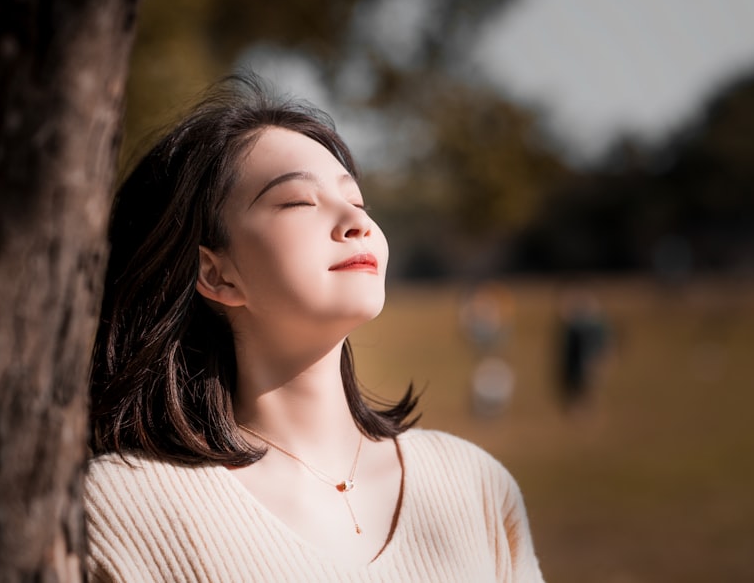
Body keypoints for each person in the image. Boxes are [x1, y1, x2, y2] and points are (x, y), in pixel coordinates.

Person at [85, 73, 544, 582]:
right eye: (300, 201)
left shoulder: (473, 486)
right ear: (216, 273)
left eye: (359, 201)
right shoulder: (127, 510)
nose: (356, 220)